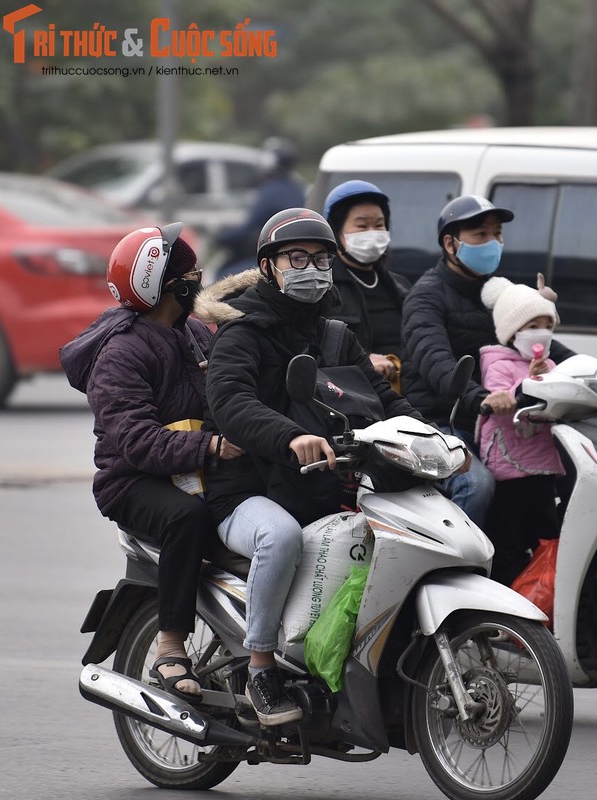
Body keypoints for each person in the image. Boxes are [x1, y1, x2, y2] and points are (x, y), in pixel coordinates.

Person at [195, 208, 427, 727]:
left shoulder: (336, 335)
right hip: (248, 492)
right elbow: (231, 403)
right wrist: (290, 436)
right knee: (279, 538)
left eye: (321, 259)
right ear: (268, 267)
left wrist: (430, 439)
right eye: (296, 258)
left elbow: (382, 401)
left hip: (321, 485)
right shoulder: (242, 333)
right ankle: (260, 670)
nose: (313, 268)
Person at [59, 223, 244, 701]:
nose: (200, 278)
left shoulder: (196, 334)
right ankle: (170, 647)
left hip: (197, 467)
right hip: (134, 481)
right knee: (188, 518)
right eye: (190, 272)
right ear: (166, 285)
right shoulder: (120, 352)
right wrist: (212, 446)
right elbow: (137, 441)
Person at [400, 194, 575, 528]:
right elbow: (435, 361)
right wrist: (479, 397)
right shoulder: (426, 296)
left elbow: (539, 341)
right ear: (450, 244)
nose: (493, 243)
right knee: (476, 485)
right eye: (480, 235)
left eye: (497, 234)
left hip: (499, 419)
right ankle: (459, 574)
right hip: (443, 421)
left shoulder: (500, 293)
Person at [477, 277, 565, 585]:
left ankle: (542, 600)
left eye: (548, 325)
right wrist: (525, 382)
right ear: (512, 332)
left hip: (542, 469)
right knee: (509, 544)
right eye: (532, 325)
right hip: (509, 471)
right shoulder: (498, 364)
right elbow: (499, 401)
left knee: (547, 538)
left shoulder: (552, 364)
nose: (542, 332)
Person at [321, 180, 412, 390]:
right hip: (357, 396)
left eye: (379, 225)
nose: (372, 232)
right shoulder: (323, 287)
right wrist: (363, 360)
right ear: (335, 232)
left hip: (407, 397)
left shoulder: (400, 285)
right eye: (362, 226)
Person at [214, 136, 306, 279]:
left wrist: (220, 237)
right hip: (296, 255)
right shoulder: (296, 188)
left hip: (276, 255)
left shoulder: (271, 192)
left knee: (223, 277)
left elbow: (247, 229)